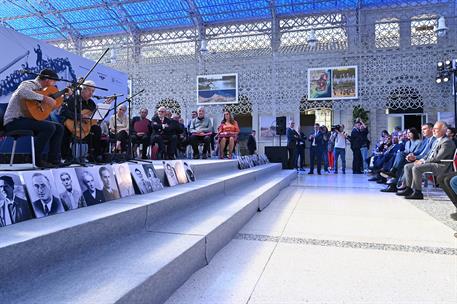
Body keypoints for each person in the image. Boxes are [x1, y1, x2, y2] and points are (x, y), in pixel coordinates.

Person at [3, 68, 65, 168]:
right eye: (53, 82)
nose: (53, 85)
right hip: (14, 121)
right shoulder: (30, 83)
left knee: (59, 128)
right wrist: (44, 98)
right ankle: (36, 159)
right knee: (49, 127)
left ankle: (54, 159)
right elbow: (22, 92)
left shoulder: (43, 91)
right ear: (48, 80)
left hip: (27, 120)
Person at [397, 121, 456, 200]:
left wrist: (422, 162)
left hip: (441, 165)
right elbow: (428, 155)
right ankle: (409, 189)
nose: (433, 131)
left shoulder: (446, 142)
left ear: (443, 130)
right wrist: (420, 160)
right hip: (432, 163)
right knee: (407, 166)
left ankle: (418, 192)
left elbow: (437, 158)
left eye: (436, 129)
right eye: (433, 129)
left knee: (417, 168)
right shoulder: (436, 141)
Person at [60, 80, 106, 163]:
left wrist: (103, 111)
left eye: (93, 91)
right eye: (89, 90)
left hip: (85, 127)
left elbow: (95, 117)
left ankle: (94, 155)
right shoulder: (73, 98)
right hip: (71, 124)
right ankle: (65, 156)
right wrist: (80, 116)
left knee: (96, 129)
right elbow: (63, 111)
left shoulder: (91, 103)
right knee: (64, 130)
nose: (91, 93)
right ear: (82, 89)